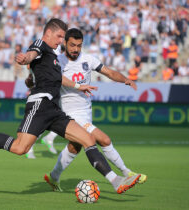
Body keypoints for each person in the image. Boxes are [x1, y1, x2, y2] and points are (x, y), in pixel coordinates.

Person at [0, 18, 141, 194]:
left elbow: (54, 77)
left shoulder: (53, 56)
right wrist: (26, 59)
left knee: (88, 140)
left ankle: (116, 181)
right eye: (59, 36)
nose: (61, 41)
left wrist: (78, 85)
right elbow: (32, 54)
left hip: (55, 110)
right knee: (20, 148)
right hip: (40, 105)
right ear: (49, 33)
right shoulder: (41, 45)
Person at [25, 28, 146, 191]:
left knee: (75, 147)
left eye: (79, 46)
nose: (76, 49)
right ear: (65, 43)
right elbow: (45, 78)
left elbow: (108, 72)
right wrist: (32, 81)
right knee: (104, 139)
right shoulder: (57, 61)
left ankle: (53, 177)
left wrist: (125, 79)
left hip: (85, 112)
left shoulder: (88, 59)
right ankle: (126, 173)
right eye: (73, 45)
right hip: (68, 112)